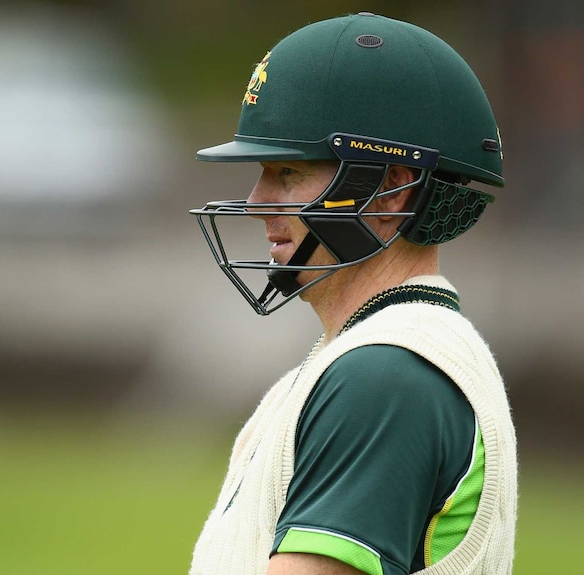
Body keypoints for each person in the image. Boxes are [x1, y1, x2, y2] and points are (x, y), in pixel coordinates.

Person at [188, 13, 518, 575]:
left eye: (287, 172)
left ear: (389, 191)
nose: (256, 201)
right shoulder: (367, 359)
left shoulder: (386, 376)